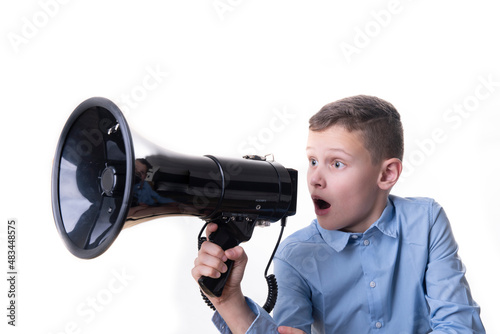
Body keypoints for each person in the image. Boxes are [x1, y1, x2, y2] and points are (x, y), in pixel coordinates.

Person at [191, 95, 485, 333]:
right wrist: (230, 303)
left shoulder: (426, 222)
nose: (315, 178)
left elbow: (459, 327)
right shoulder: (295, 255)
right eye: (313, 160)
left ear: (387, 174)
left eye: (337, 164)